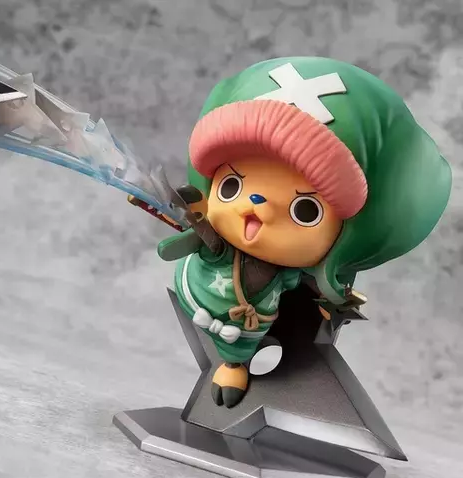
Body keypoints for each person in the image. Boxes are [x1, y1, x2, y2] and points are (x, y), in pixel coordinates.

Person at [157, 57, 452, 408]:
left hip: (247, 321)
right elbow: (188, 233)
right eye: (232, 185)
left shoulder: (299, 270)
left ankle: (235, 364)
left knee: (251, 337)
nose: (256, 204)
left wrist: (331, 300)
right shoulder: (216, 238)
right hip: (203, 293)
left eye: (305, 209)